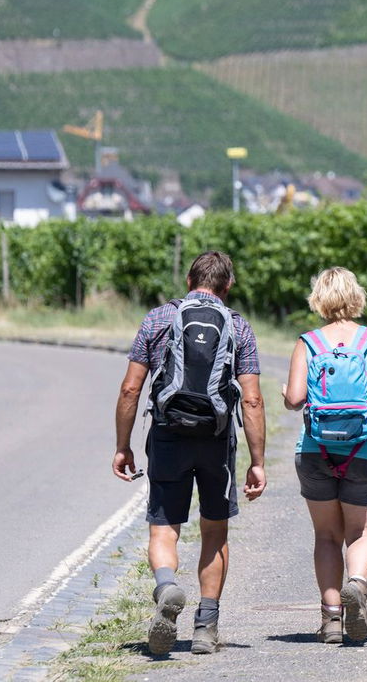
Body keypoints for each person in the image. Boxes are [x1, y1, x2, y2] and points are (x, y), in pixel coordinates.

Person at [113, 250, 266, 657]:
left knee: (164, 529)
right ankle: (205, 628)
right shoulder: (238, 326)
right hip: (216, 440)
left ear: (188, 279)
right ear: (227, 285)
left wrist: (123, 446)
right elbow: (251, 401)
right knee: (214, 532)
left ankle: (167, 586)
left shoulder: (158, 319)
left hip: (167, 436)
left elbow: (131, 389)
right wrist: (257, 462)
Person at [282, 266, 367, 644]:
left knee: (327, 535)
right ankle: (358, 585)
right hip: (364, 452)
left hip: (316, 452)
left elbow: (296, 400)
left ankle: (332, 618)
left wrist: (287, 391)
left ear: (318, 298)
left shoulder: (308, 342)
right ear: (357, 296)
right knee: (361, 531)